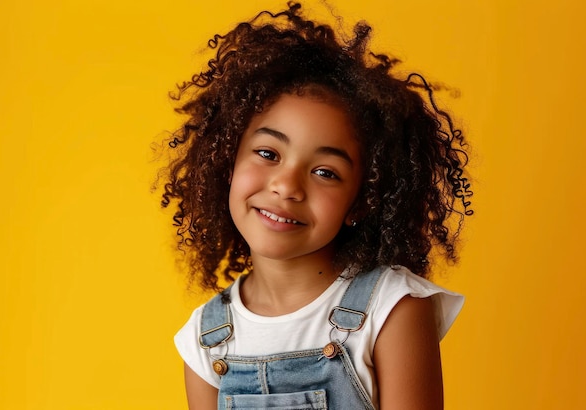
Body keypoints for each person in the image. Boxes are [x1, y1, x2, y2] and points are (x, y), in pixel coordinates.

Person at [162, 2, 473, 409]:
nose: (287, 186)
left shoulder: (391, 308)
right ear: (226, 163)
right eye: (268, 154)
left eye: (325, 172)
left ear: (363, 200)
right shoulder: (207, 337)